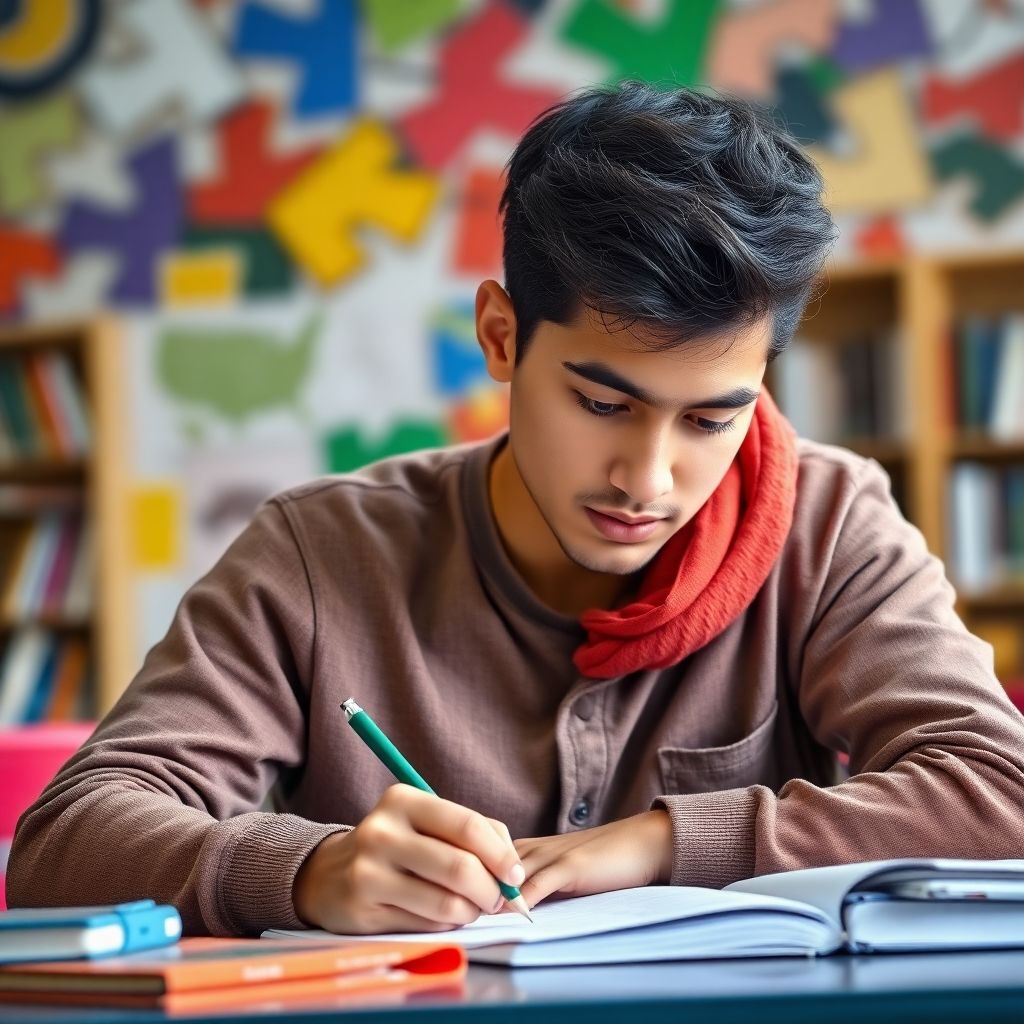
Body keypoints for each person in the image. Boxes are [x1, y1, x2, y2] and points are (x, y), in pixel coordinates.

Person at [9, 83, 1024, 938]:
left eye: (713, 418)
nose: (649, 478)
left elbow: (1001, 791)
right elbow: (65, 842)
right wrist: (307, 869)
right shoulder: (320, 550)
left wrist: (662, 842)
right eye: (601, 402)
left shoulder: (827, 520)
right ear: (501, 336)